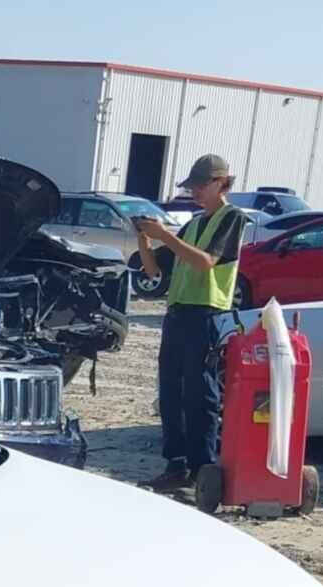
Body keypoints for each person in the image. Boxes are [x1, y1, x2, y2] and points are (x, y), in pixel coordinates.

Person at [133, 155, 247, 489]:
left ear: (221, 182)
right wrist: (144, 239)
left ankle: (202, 466)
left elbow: (205, 262)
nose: (195, 191)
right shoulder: (194, 224)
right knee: (171, 391)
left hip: (207, 314)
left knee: (200, 394)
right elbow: (154, 272)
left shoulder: (232, 218)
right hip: (179, 313)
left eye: (201, 184)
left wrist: (165, 236)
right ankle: (177, 463)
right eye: (192, 185)